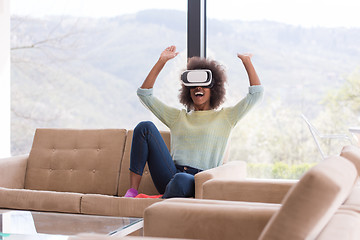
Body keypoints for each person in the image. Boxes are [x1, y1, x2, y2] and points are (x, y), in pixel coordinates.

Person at [124, 45, 264, 198]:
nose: (198, 87)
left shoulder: (226, 117)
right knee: (145, 127)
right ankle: (132, 193)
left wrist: (247, 62)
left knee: (181, 179)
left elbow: (256, 95)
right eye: (193, 85)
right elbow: (144, 95)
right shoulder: (178, 117)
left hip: (198, 180)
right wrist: (161, 61)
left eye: (204, 84)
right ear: (187, 90)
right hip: (170, 174)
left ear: (214, 89)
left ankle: (160, 199)